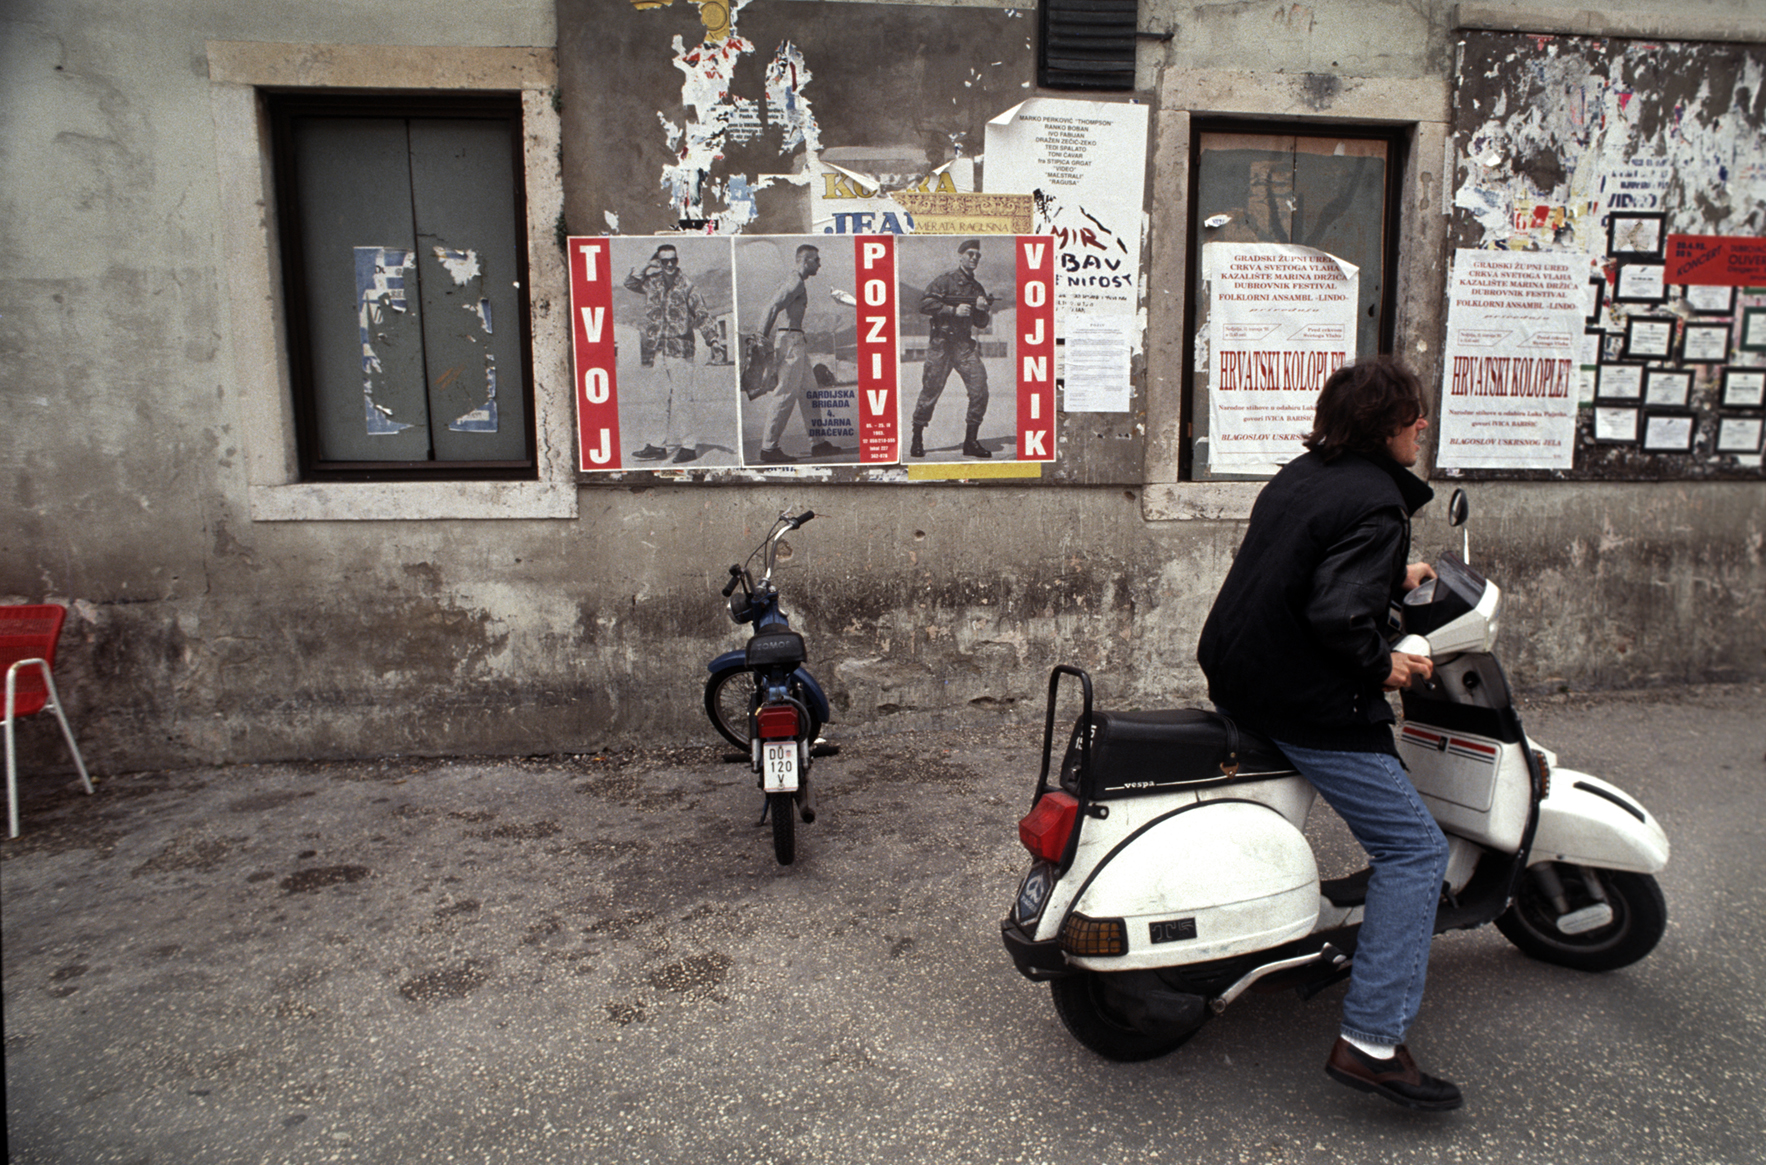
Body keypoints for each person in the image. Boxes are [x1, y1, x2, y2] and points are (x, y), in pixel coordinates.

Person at [1196, 356, 1461, 1112]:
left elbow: (1306, 567)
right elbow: (1336, 617)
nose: (1424, 426)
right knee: (1416, 849)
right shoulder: (1377, 501)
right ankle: (1374, 1041)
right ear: (1389, 426)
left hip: (1242, 675)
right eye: (1416, 415)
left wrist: (1392, 574)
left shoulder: (1304, 474)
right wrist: (1389, 668)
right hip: (1303, 698)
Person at [623, 244, 726, 464]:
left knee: (682, 399)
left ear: (677, 261)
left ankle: (689, 446)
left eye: (673, 260)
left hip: (681, 349)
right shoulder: (652, 283)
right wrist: (647, 264)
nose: (669, 264)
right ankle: (657, 445)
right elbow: (630, 282)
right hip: (657, 349)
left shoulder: (688, 286)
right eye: (664, 261)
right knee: (659, 399)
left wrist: (713, 340)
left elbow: (702, 315)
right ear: (658, 262)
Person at [756, 244, 840, 464]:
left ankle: (819, 443)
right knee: (784, 394)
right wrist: (759, 340)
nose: (819, 264)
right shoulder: (794, 281)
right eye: (816, 260)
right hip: (790, 342)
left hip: (796, 340)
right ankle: (768, 448)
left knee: (809, 393)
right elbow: (771, 307)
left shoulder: (796, 281)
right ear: (805, 261)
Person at [911, 239, 992, 459]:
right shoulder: (944, 281)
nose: (974, 258)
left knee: (980, 391)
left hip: (964, 347)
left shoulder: (977, 289)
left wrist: (982, 310)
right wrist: (952, 310)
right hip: (941, 345)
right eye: (970, 254)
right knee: (930, 391)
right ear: (961, 256)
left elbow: (981, 323)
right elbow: (924, 304)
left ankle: (971, 441)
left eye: (978, 255)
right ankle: (917, 437)